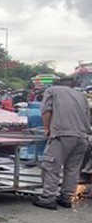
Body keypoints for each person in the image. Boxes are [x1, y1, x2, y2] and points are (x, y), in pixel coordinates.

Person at [33, 77, 91, 210]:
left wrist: (47, 129)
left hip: (62, 135)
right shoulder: (81, 96)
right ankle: (66, 198)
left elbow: (46, 110)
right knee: (72, 169)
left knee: (51, 166)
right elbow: (87, 117)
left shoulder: (53, 90)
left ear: (59, 84)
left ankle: (48, 198)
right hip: (82, 137)